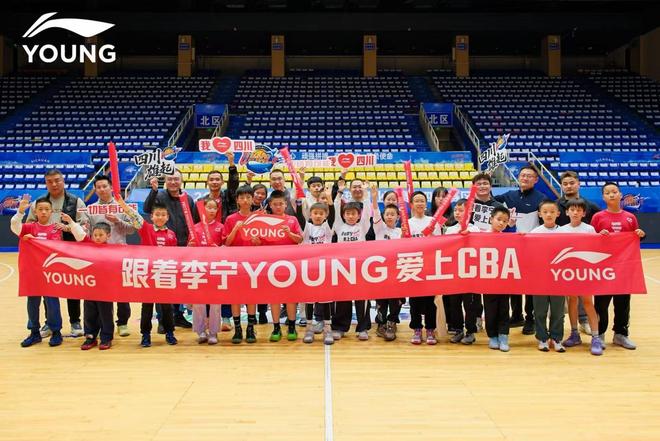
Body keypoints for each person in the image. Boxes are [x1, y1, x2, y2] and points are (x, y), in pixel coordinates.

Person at [27, 168, 88, 338]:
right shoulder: (38, 203)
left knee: (73, 288)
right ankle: (50, 322)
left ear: (63, 181)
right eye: (50, 181)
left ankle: (75, 321)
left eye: (57, 180)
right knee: (48, 290)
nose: (54, 184)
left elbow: (85, 225)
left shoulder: (76, 201)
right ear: (45, 183)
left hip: (70, 251)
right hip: (45, 255)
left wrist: (68, 228)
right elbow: (29, 225)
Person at [117, 197, 179, 348]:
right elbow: (135, 216)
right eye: (157, 214)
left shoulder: (171, 234)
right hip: (147, 276)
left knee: (167, 307)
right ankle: (145, 335)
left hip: (164, 276)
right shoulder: (146, 229)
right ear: (151, 217)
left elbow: (175, 256)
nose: (160, 217)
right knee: (147, 307)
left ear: (167, 217)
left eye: (163, 215)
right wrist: (123, 205)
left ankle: (170, 333)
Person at [591, 182, 646, 350]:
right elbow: (590, 240)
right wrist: (598, 236)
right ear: (603, 197)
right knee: (601, 304)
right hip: (604, 268)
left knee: (623, 303)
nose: (611, 194)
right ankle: (599, 334)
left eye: (614, 191)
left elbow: (634, 239)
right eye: (607, 192)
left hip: (624, 268)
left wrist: (640, 234)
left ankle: (620, 334)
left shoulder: (630, 217)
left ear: (620, 194)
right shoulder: (598, 217)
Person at [144, 170, 199, 329]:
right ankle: (163, 321)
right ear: (166, 181)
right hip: (163, 249)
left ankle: (178, 316)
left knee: (180, 284)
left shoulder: (187, 199)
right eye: (170, 179)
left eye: (176, 179)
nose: (173, 182)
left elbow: (194, 222)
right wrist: (153, 191)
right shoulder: (160, 196)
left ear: (181, 181)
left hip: (183, 248)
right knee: (163, 283)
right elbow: (147, 209)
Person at [495, 165, 546, 335]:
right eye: (523, 175)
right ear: (518, 177)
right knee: (513, 283)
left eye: (529, 176)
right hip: (512, 248)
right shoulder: (508, 196)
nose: (525, 178)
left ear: (536, 180)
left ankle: (530, 319)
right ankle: (516, 316)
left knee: (531, 286)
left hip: (533, 248)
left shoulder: (542, 199)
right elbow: (487, 201)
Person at [11, 196, 65, 347]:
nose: (43, 212)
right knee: (32, 303)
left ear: (52, 211)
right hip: (32, 273)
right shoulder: (28, 227)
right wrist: (20, 212)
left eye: (47, 209)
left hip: (49, 274)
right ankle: (34, 332)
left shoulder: (55, 228)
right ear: (35, 211)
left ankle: (56, 332)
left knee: (52, 303)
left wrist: (34, 240)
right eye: (40, 209)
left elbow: (55, 247)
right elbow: (14, 226)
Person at [87, 175, 136, 337]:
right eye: (98, 187)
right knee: (101, 292)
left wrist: (117, 221)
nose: (102, 189)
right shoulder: (90, 209)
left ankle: (122, 323)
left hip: (120, 255)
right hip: (99, 257)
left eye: (104, 186)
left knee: (122, 290)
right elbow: (87, 232)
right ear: (95, 190)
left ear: (111, 188)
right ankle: (103, 324)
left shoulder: (122, 206)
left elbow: (132, 229)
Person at [556, 170, 601, 336]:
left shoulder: (591, 206)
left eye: (572, 183)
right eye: (565, 184)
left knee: (585, 297)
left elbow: (599, 227)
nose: (568, 186)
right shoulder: (556, 205)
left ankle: (585, 322)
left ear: (578, 184)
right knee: (570, 298)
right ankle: (564, 327)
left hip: (583, 260)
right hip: (564, 261)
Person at [557, 198, 604, 356]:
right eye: (572, 210)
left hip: (585, 271)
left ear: (584, 213)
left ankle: (596, 337)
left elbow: (597, 247)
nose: (575, 212)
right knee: (572, 301)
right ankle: (574, 333)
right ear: (567, 212)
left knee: (588, 302)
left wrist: (602, 236)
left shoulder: (589, 229)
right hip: (569, 272)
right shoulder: (561, 230)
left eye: (579, 210)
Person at [331, 179, 374, 341]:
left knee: (362, 298)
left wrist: (366, 193)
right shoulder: (338, 226)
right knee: (342, 298)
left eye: (353, 214)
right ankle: (339, 327)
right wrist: (340, 192)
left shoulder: (363, 226)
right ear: (343, 215)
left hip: (360, 267)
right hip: (342, 267)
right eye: (347, 213)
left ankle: (363, 328)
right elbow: (336, 208)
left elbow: (367, 209)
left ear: (358, 215)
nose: (350, 216)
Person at [263, 190, 303, 342]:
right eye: (275, 204)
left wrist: (289, 234)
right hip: (271, 265)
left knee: (290, 297)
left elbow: (300, 239)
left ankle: (292, 326)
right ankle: (276, 327)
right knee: (274, 297)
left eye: (281, 204)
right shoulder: (265, 221)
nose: (278, 206)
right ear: (270, 205)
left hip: (290, 265)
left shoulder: (292, 220)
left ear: (286, 204)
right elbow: (261, 242)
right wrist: (256, 241)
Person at [223, 185, 260, 344]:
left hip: (253, 263)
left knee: (251, 296)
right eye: (242, 198)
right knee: (235, 296)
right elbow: (226, 242)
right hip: (235, 263)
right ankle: (237, 329)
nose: (245, 200)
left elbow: (264, 243)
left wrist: (257, 242)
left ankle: (250, 328)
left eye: (248, 197)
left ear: (252, 200)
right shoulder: (230, 219)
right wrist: (235, 230)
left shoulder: (258, 217)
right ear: (237, 200)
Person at [296, 197, 335, 345]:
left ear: (325, 215)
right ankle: (309, 329)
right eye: (315, 213)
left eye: (321, 213)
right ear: (310, 215)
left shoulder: (327, 227)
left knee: (325, 300)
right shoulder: (307, 227)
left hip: (325, 269)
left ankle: (327, 329)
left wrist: (330, 202)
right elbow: (299, 217)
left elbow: (333, 216)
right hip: (309, 269)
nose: (318, 216)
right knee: (309, 300)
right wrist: (299, 203)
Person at [529, 200, 566, 353]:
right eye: (545, 212)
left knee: (558, 311)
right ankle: (542, 338)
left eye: (552, 212)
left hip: (559, 277)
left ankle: (556, 338)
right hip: (540, 278)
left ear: (558, 213)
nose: (549, 215)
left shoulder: (565, 232)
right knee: (540, 310)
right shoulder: (534, 233)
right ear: (540, 214)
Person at [408, 191, 442, 345]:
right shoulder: (408, 223)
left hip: (429, 265)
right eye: (417, 201)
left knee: (430, 301)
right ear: (411, 205)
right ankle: (416, 328)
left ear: (426, 203)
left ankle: (430, 329)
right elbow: (403, 245)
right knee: (414, 300)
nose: (420, 203)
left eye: (422, 200)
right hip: (412, 265)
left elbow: (439, 243)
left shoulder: (433, 222)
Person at [445, 199, 481, 345]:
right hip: (454, 272)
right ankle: (458, 330)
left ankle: (470, 331)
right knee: (454, 303)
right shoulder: (450, 230)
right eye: (456, 210)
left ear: (470, 212)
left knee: (469, 304)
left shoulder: (475, 229)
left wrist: (468, 236)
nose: (457, 213)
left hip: (470, 273)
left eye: (461, 210)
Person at [189, 198, 225, 345]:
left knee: (215, 302)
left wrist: (220, 249)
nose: (211, 210)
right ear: (202, 209)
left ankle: (214, 332)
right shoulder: (195, 228)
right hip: (199, 269)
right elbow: (189, 249)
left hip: (215, 269)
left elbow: (226, 247)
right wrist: (190, 246)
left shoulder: (221, 227)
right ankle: (201, 331)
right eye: (208, 207)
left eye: (214, 208)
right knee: (199, 302)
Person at [370, 183, 402, 342]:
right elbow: (376, 211)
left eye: (392, 214)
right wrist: (374, 198)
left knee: (396, 299)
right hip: (381, 270)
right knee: (381, 299)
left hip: (397, 270)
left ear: (398, 217)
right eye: (387, 214)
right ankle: (381, 324)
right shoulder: (379, 229)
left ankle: (392, 322)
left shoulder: (401, 232)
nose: (389, 216)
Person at [76, 222, 116, 351]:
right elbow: (79, 234)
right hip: (90, 287)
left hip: (105, 289)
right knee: (89, 313)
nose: (97, 237)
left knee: (105, 314)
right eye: (95, 235)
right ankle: (90, 337)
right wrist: (71, 223)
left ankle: (106, 337)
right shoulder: (88, 247)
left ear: (108, 235)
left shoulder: (113, 251)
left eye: (101, 235)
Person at [483, 206, 513, 352]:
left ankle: (503, 335)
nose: (501, 223)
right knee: (490, 309)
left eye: (505, 221)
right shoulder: (481, 236)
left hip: (504, 279)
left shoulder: (508, 238)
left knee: (504, 308)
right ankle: (492, 336)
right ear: (491, 219)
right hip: (487, 280)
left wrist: (522, 238)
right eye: (499, 219)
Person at [200, 151, 239, 222]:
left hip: (226, 229)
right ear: (207, 183)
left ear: (222, 182)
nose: (214, 182)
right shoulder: (201, 201)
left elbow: (233, 183)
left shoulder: (228, 197)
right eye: (211, 180)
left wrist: (231, 164)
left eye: (217, 179)